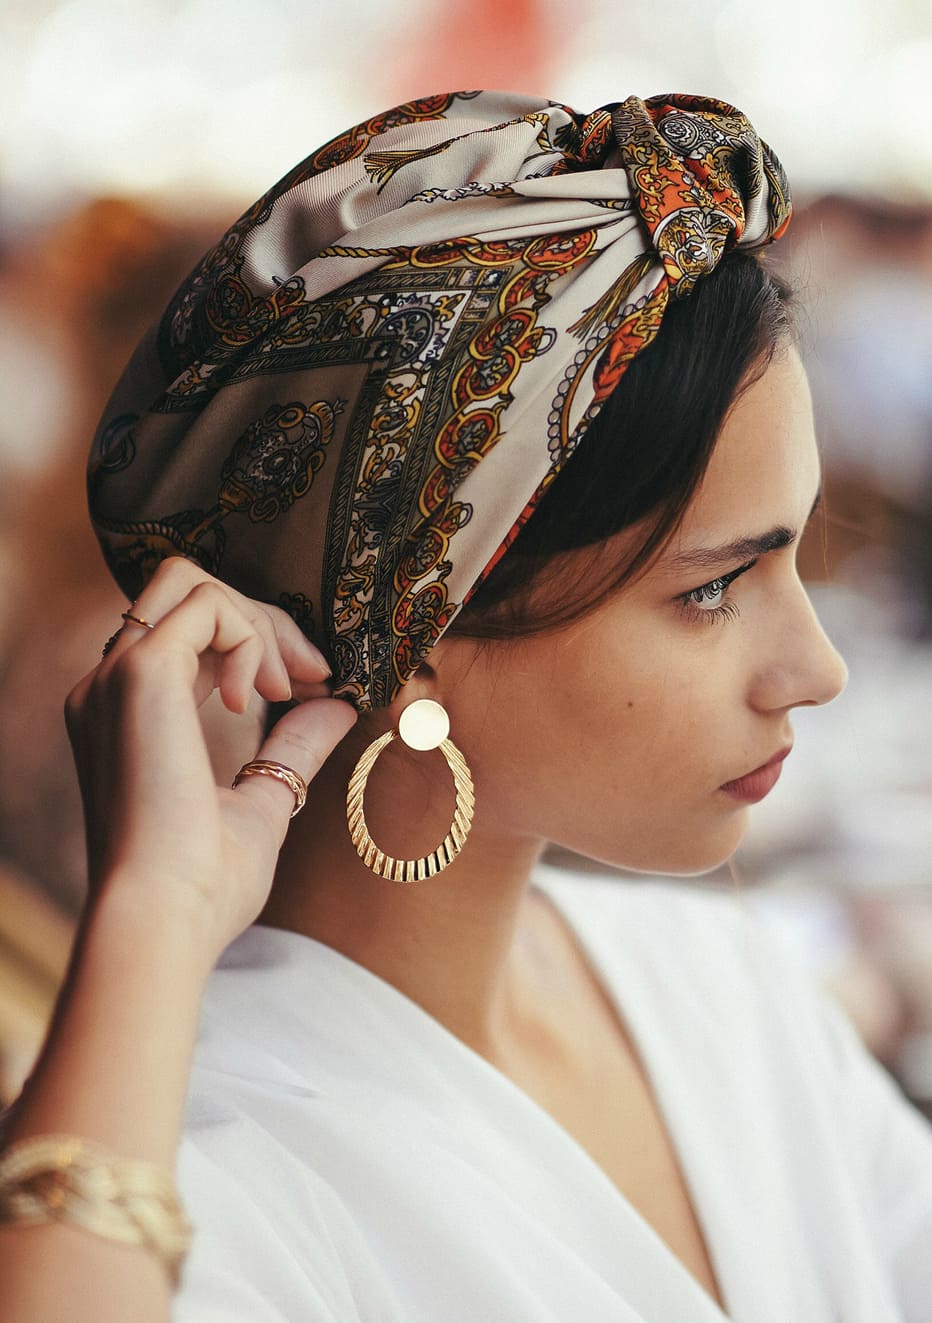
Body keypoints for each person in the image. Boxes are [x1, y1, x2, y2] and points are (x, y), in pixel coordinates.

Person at [1, 91, 930, 1323]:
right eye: (711, 589)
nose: (817, 669)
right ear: (416, 630)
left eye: (793, 562)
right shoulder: (206, 1166)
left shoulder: (722, 987)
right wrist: (154, 921)